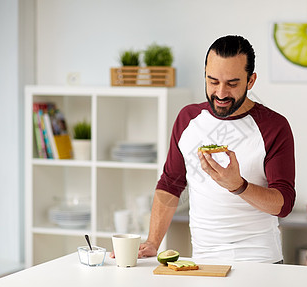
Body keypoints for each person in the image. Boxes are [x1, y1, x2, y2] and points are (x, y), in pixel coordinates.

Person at [113, 35, 296, 263]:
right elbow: (170, 184)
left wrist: (238, 186)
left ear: (251, 81)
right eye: (213, 81)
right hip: (203, 262)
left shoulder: (273, 126)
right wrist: (152, 242)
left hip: (260, 261)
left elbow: (284, 203)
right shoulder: (188, 119)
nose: (220, 93)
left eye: (232, 83)